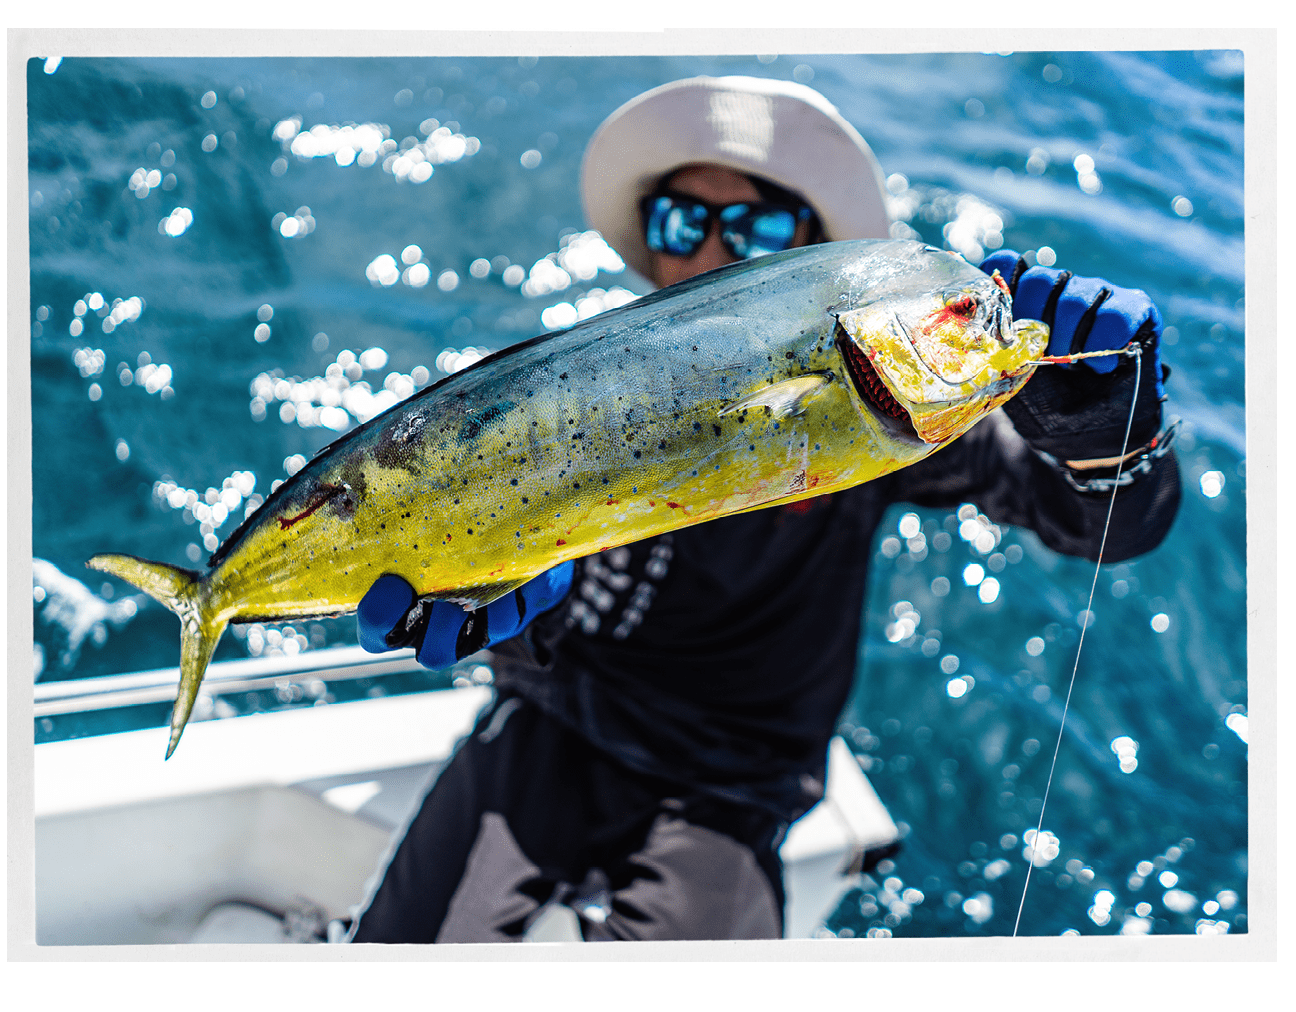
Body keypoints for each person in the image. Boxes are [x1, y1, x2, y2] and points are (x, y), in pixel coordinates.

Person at [345, 76, 1181, 943]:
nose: (709, 254)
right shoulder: (573, 397)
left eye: (755, 228)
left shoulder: (874, 398)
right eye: (680, 222)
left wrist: (1106, 438)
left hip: (731, 784)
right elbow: (526, 592)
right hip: (549, 724)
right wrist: (491, 619)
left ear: (810, 251)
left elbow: (1101, 525)